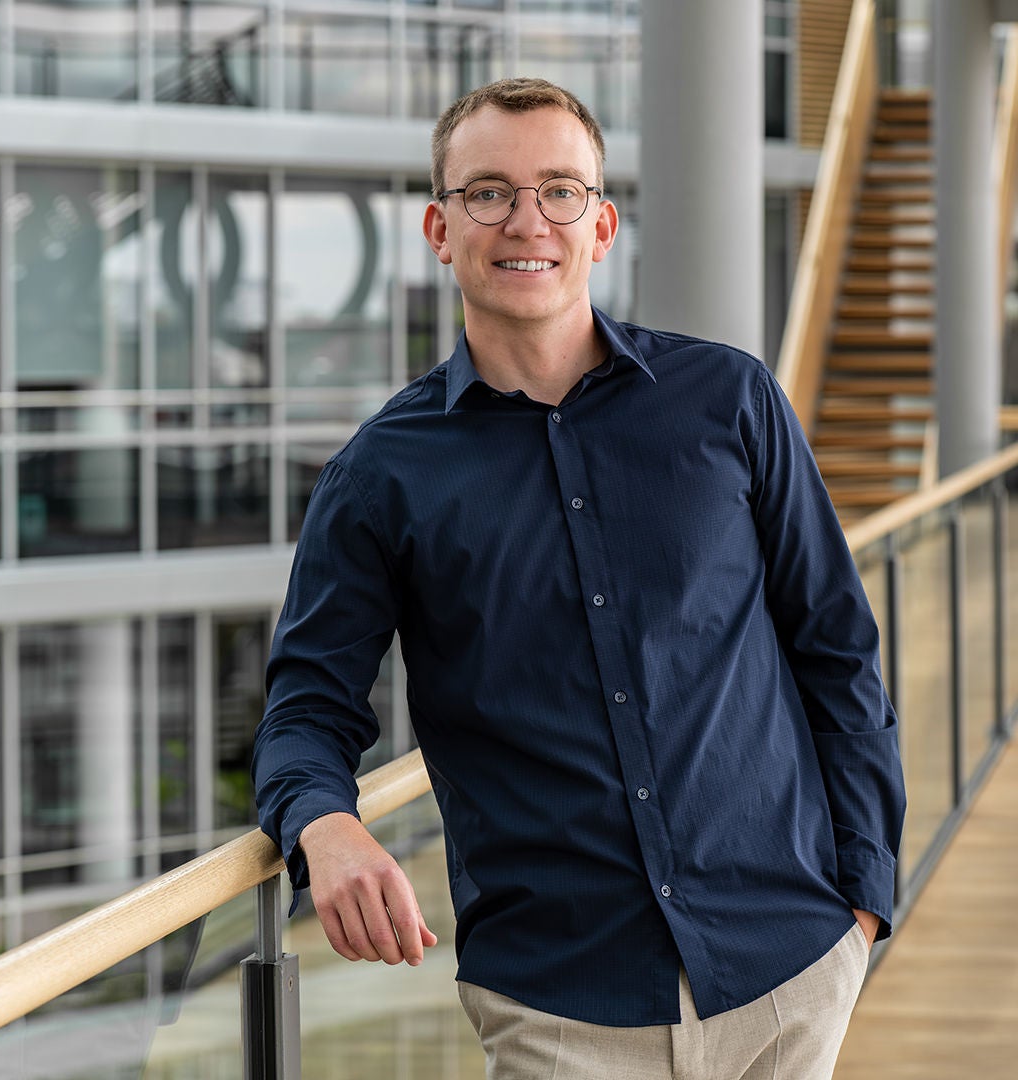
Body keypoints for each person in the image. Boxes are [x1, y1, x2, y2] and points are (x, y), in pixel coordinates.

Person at [253, 77, 906, 1080]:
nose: (527, 220)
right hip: (561, 1011)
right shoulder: (381, 474)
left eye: (560, 190)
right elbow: (306, 705)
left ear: (600, 226)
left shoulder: (730, 401)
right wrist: (326, 827)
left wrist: (862, 902)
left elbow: (836, 648)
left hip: (791, 972)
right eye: (489, 192)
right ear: (439, 226)